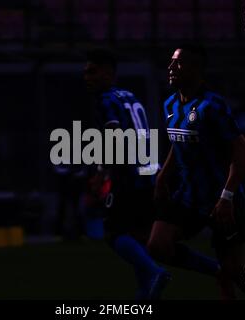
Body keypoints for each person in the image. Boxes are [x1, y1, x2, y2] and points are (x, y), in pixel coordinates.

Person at [148, 45, 245, 300]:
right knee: (158, 245)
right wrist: (163, 177)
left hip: (221, 199)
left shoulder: (212, 105)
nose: (170, 68)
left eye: (177, 64)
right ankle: (215, 270)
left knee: (234, 272)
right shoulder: (170, 104)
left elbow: (243, 152)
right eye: (170, 62)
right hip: (188, 197)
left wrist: (227, 196)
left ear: (195, 69)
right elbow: (178, 143)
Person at [83, 48, 170, 299]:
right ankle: (146, 294)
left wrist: (102, 172)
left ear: (108, 73)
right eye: (85, 72)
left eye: (92, 71)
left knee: (113, 233)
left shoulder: (105, 100)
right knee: (139, 237)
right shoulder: (130, 96)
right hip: (148, 173)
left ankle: (155, 273)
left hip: (128, 175)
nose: (86, 77)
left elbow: (113, 137)